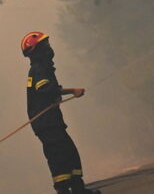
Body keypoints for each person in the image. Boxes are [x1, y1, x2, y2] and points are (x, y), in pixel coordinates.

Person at [21, 31, 100, 194]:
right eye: (45, 46)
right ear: (36, 50)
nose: (49, 49)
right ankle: (64, 190)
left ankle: (78, 188)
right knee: (58, 156)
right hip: (46, 122)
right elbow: (44, 88)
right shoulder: (39, 69)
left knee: (69, 152)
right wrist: (72, 91)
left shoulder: (41, 68)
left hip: (50, 121)